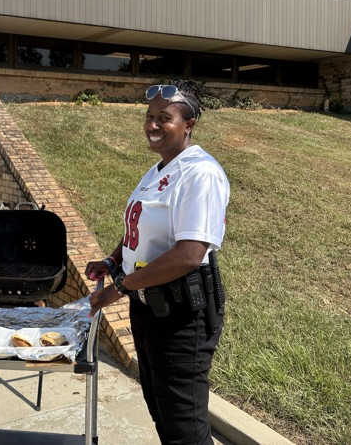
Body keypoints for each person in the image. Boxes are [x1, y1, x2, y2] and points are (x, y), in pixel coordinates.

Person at [86, 80, 230, 445]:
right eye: (149, 116)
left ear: (189, 124)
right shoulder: (160, 169)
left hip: (182, 314)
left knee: (184, 424)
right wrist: (113, 259)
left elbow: (189, 254)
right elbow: (141, 229)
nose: (152, 125)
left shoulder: (200, 172)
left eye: (164, 118)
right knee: (161, 409)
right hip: (148, 307)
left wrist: (118, 288)